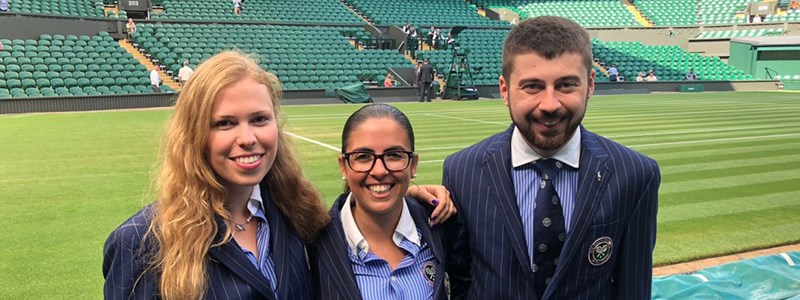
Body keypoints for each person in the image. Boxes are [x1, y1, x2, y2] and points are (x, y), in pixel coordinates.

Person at [104, 51, 455, 300]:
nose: (247, 138)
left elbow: (362, 205)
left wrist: (407, 193)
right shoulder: (140, 242)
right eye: (225, 123)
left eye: (259, 119)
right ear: (196, 134)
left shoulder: (295, 215)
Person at [442, 16, 661, 299]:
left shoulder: (636, 174)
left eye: (567, 85)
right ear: (505, 90)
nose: (549, 104)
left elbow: (633, 291)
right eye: (532, 86)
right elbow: (460, 283)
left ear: (590, 85)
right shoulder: (461, 171)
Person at [309, 104, 455, 299]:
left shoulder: (441, 226)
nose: (379, 171)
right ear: (344, 167)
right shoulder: (313, 245)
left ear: (413, 165)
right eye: (363, 156)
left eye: (394, 155)